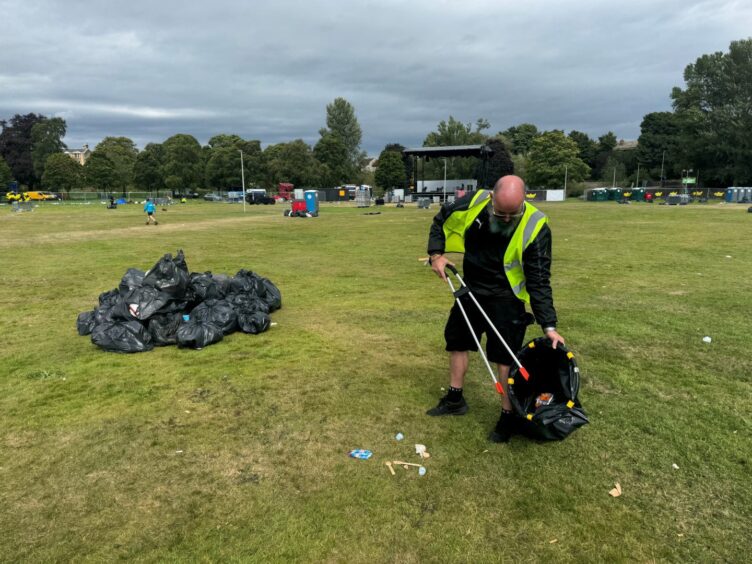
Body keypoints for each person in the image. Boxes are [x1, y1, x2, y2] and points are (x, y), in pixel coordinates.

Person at [426, 175, 564, 443]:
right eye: (501, 213)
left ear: (525, 200)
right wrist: (436, 255)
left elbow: (538, 279)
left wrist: (549, 325)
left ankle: (508, 416)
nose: (506, 218)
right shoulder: (474, 202)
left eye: (514, 212)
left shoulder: (536, 225)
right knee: (457, 342)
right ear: (491, 198)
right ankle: (455, 399)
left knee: (504, 358)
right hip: (471, 288)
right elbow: (440, 219)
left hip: (506, 297)